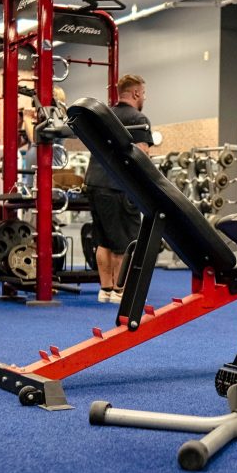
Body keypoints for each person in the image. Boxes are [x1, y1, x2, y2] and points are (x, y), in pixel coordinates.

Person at [84, 74, 153, 304]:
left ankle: (105, 290)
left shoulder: (105, 116)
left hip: (94, 183)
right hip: (118, 187)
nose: (144, 97)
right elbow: (142, 156)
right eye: (143, 93)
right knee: (126, 244)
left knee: (103, 241)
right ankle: (120, 291)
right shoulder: (138, 118)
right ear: (136, 93)